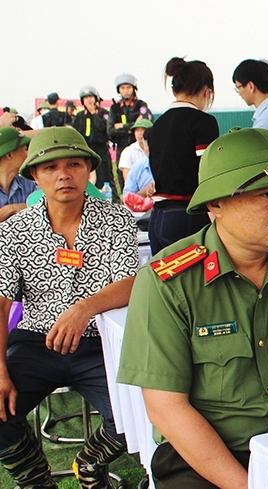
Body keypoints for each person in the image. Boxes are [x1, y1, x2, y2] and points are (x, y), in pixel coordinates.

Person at [118, 127, 268, 488]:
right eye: (264, 193)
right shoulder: (168, 281)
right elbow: (167, 407)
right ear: (216, 204)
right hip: (203, 460)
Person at [0, 127, 138, 489]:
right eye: (50, 167)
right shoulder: (15, 230)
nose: (63, 174)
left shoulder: (116, 219)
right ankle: (37, 480)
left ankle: (89, 463)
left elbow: (131, 282)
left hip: (99, 343)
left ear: (88, 169)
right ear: (34, 175)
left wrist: (83, 309)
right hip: (36, 341)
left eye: (73, 164)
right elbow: (1, 303)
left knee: (139, 411)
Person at [148, 57, 219, 254]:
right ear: (206, 92)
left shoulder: (158, 125)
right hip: (189, 216)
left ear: (174, 91)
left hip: (158, 218)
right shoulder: (203, 122)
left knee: (164, 275)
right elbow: (208, 173)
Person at [71, 85, 114, 197]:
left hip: (101, 151)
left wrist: (93, 113)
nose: (88, 100)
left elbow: (104, 128)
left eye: (90, 97)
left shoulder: (104, 114)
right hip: (85, 151)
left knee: (105, 179)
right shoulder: (79, 116)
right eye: (85, 98)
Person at [107, 73, 153, 159]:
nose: (125, 91)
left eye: (128, 87)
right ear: (119, 90)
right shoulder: (114, 108)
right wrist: (132, 126)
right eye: (122, 88)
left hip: (139, 148)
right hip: (121, 148)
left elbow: (144, 125)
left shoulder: (141, 105)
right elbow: (110, 132)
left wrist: (121, 126)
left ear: (133, 89)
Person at [0, 128, 37, 222]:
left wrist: (11, 209)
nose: (29, 154)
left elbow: (45, 209)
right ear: (9, 155)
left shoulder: (29, 185)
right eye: (25, 149)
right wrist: (8, 210)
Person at [123, 127, 154, 199]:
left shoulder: (173, 166)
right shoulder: (136, 169)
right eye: (147, 145)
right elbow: (126, 199)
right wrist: (143, 193)